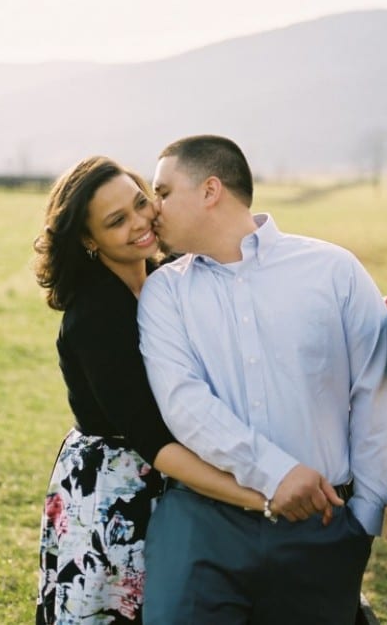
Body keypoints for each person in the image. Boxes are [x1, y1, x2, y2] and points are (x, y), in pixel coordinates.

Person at [138, 135, 387, 624]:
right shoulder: (164, 293)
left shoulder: (333, 270)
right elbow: (184, 404)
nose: (153, 209)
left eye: (163, 191)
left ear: (210, 189)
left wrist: (363, 518)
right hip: (202, 524)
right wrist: (274, 472)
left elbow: (372, 393)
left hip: (321, 528)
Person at [31, 156, 269, 624]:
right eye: (117, 221)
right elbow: (152, 439)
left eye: (142, 203)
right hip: (117, 490)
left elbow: (252, 300)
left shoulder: (173, 273)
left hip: (180, 480)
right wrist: (262, 497)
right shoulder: (95, 315)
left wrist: (351, 312)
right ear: (88, 240)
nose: (140, 222)